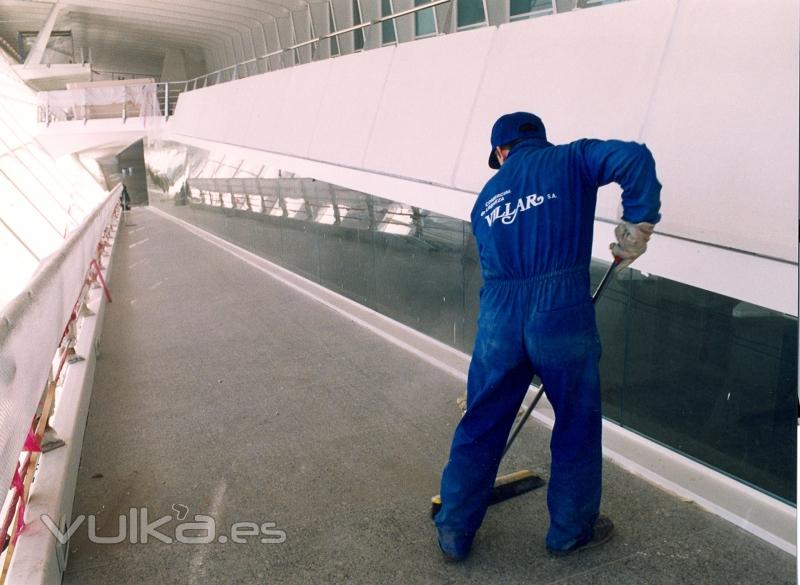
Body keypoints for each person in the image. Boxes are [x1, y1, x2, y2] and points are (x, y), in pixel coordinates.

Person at [435, 112, 661, 561]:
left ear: (501, 151)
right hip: (559, 312)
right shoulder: (572, 159)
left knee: (481, 422)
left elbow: (491, 263)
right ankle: (569, 530)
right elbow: (634, 158)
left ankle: (455, 530)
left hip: (499, 318)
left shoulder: (484, 200)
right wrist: (638, 223)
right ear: (539, 138)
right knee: (575, 422)